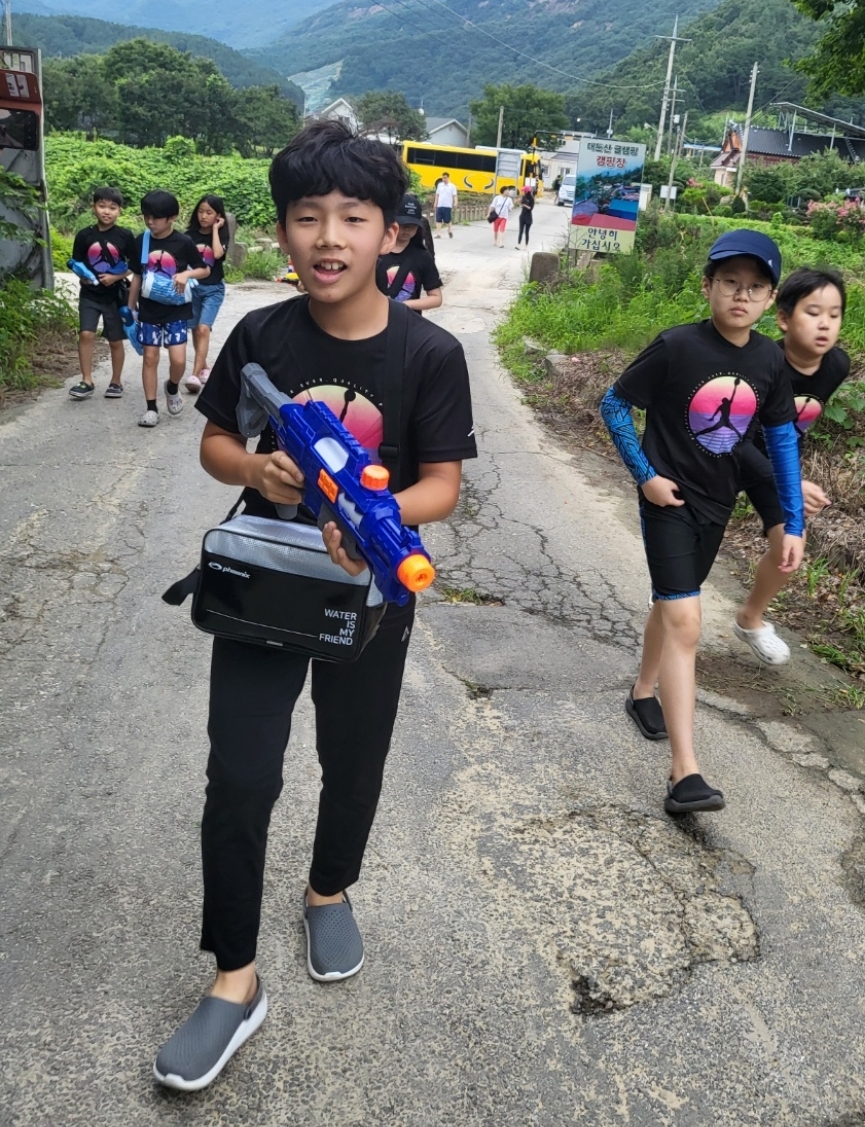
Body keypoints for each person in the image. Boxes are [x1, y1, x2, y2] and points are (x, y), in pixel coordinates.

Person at [152, 119, 477, 1092]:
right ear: (283, 231)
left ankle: (328, 888)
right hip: (262, 583)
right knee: (240, 775)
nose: (329, 236)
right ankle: (234, 976)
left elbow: (443, 486)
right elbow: (216, 443)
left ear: (392, 233)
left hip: (369, 589)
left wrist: (372, 515)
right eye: (306, 216)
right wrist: (258, 470)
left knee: (354, 760)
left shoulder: (430, 352)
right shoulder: (261, 334)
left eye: (353, 216)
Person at [599, 230, 804, 815]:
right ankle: (684, 773)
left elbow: (782, 442)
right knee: (686, 620)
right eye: (730, 283)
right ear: (708, 286)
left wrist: (792, 522)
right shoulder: (677, 346)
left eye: (756, 287)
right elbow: (614, 404)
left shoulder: (769, 360)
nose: (742, 295)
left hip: (718, 504)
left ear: (771, 300)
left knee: (672, 606)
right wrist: (645, 475)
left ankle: (643, 690)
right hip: (667, 502)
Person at [732, 267, 850, 664]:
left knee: (788, 544)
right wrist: (791, 480)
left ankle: (750, 619)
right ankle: (674, 594)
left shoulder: (836, 366)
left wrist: (788, 478)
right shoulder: (760, 363)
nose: (825, 323)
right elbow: (735, 437)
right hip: (727, 455)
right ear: (783, 319)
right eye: (813, 312)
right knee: (696, 532)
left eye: (834, 314)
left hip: (776, 466)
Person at [126, 190, 210, 428]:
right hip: (149, 310)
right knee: (150, 357)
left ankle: (172, 386)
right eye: (146, 216)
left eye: (156, 217)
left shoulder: (184, 242)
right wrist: (130, 308)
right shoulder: (141, 241)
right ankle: (151, 408)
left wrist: (186, 274)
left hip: (176, 310)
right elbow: (137, 276)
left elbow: (204, 269)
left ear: (172, 217)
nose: (150, 221)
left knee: (178, 359)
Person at [68, 186, 134, 401]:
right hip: (89, 295)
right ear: (93, 208)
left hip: (115, 296)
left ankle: (116, 381)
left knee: (115, 340)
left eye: (112, 208)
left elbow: (134, 266)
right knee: (86, 334)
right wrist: (83, 277)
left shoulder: (125, 236)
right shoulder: (84, 235)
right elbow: (76, 263)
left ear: (119, 211)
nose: (107, 211)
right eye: (102, 206)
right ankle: (86, 381)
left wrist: (116, 277)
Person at [183, 194, 230, 394]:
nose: (203, 216)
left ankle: (194, 375)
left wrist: (215, 230)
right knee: (195, 329)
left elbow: (217, 254)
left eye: (209, 212)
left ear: (218, 216)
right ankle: (204, 368)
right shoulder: (189, 236)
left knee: (203, 328)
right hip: (193, 288)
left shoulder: (222, 235)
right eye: (201, 211)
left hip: (214, 289)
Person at [377, 192, 443, 314]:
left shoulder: (422, 256)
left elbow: (436, 298)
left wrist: (403, 305)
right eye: (403, 224)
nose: (407, 229)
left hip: (408, 321)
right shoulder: (375, 253)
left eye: (412, 225)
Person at [432, 171, 457, 238]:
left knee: (447, 220)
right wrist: (435, 203)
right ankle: (439, 234)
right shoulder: (440, 185)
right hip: (440, 205)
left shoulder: (452, 186)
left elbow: (454, 196)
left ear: (448, 178)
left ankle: (449, 230)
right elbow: (437, 195)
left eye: (445, 178)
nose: (444, 179)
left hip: (447, 205)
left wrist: (455, 202)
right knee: (438, 220)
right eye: (443, 178)